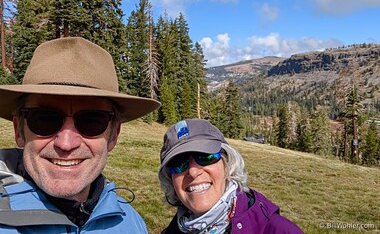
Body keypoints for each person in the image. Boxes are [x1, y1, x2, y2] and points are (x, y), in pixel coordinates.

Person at [0, 37, 160, 233]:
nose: (66, 143)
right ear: (19, 130)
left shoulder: (131, 223)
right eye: (44, 119)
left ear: (113, 136)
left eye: (92, 121)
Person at [158, 119, 304, 234]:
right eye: (178, 163)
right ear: (170, 179)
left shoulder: (278, 230)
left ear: (227, 165)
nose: (193, 172)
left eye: (205, 157)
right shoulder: (174, 230)